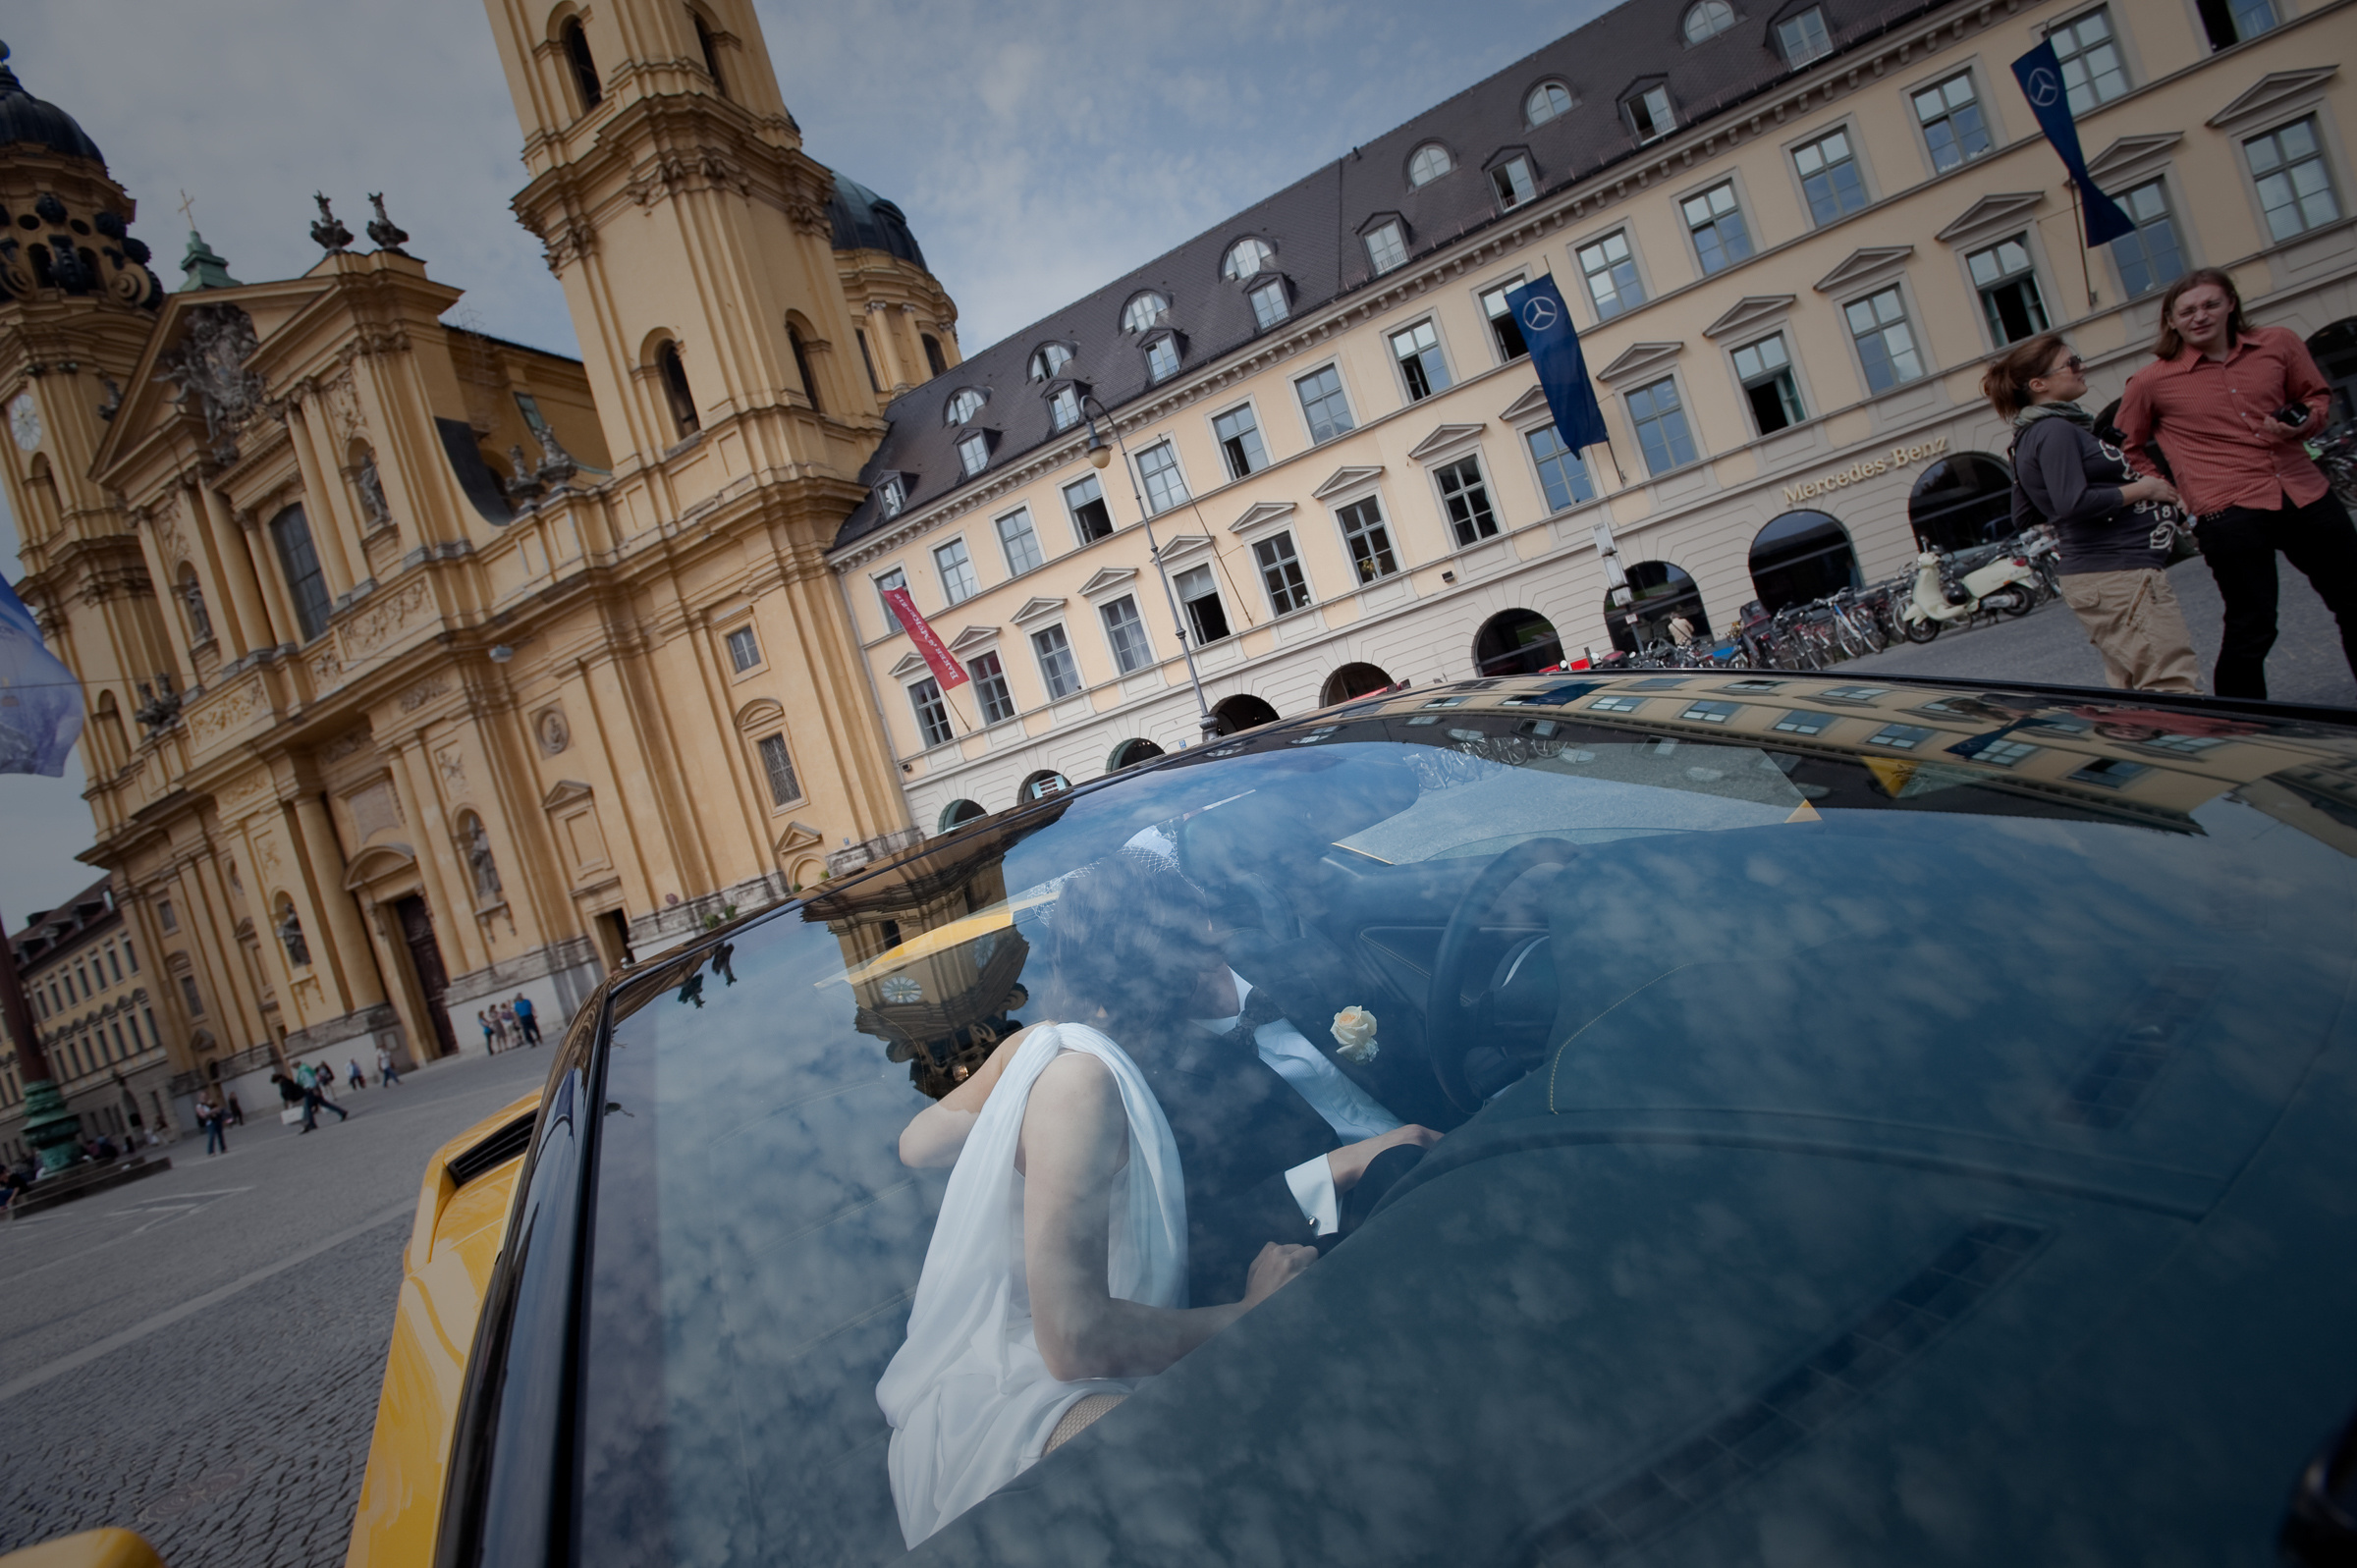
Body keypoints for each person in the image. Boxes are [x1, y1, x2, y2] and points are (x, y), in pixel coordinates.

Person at [877, 852, 1323, 1548]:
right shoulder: (1081, 1086)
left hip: (995, 1375)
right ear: (1173, 969)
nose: (1218, 949)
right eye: (1202, 939)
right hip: (1029, 1411)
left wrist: (1004, 1114)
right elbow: (1073, 1341)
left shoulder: (1033, 1048)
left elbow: (914, 1145)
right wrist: (1247, 1312)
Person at [2117, 268, 2357, 698]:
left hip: (2305, 491)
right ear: (2171, 320)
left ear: (2230, 303)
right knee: (2254, 625)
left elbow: (2316, 396)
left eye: (2210, 304)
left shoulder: (2279, 343)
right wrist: (2167, 490)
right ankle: (2240, 726)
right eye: (2187, 311)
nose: (2200, 316)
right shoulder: (2151, 381)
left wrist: (2302, 422)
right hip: (2229, 511)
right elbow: (2123, 446)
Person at [1985, 333, 2201, 693]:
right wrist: (2146, 489)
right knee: (2169, 683)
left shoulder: (2032, 435)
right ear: (2038, 384)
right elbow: (2073, 503)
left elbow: (2024, 514)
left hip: (2103, 575)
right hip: (2118, 573)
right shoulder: (2054, 430)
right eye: (2070, 364)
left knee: (2133, 688)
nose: (2081, 367)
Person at [196, 1092, 228, 1157]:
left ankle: (223, 1149)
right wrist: (211, 1111)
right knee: (212, 1136)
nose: (204, 1098)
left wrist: (217, 1109)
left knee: (220, 1135)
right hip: (209, 1122)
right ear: (200, 1098)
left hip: (217, 1119)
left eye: (205, 1096)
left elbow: (218, 1108)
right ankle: (210, 1151)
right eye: (203, 1097)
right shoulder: (199, 1106)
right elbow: (202, 1115)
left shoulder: (211, 1102)